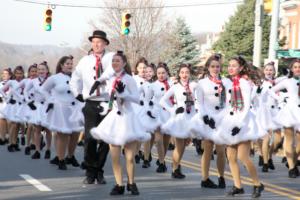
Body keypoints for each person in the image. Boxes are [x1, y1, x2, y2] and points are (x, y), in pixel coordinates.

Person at [90, 51, 151, 195]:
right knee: (115, 156)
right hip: (114, 120)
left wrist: (124, 94)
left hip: (128, 119)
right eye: (113, 61)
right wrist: (97, 83)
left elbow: (136, 99)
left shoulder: (129, 79)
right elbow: (107, 91)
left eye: (118, 60)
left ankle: (132, 183)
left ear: (124, 63)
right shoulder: (110, 78)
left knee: (129, 157)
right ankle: (119, 185)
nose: (115, 63)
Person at [70, 30, 114, 184]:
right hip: (90, 102)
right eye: (94, 42)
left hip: (107, 102)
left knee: (105, 139)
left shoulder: (111, 59)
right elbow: (75, 78)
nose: (96, 44)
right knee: (89, 138)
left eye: (99, 42)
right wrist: (77, 93)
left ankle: (99, 170)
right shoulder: (85, 60)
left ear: (105, 44)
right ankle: (90, 171)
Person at [216, 56, 265, 198]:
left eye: (234, 65)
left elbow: (246, 106)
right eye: (229, 65)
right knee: (230, 157)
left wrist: (239, 124)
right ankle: (238, 186)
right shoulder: (231, 82)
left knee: (243, 157)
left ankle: (257, 184)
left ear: (241, 68)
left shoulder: (243, 82)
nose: (230, 68)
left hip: (243, 123)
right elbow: (228, 104)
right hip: (231, 121)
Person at [190, 54, 230, 188]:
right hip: (208, 120)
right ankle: (205, 178)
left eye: (218, 66)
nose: (215, 69)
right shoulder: (202, 83)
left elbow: (229, 101)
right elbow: (199, 103)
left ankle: (221, 177)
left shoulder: (226, 82)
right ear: (208, 67)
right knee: (207, 149)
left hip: (222, 119)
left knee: (220, 150)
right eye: (212, 66)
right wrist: (205, 117)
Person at [41, 55, 84, 170]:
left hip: (74, 109)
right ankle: (60, 159)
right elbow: (43, 90)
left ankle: (70, 156)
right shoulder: (55, 78)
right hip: (60, 109)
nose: (70, 66)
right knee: (62, 134)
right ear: (61, 65)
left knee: (75, 134)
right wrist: (50, 99)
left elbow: (82, 90)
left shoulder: (77, 77)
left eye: (71, 64)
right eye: (67, 64)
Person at [159, 64, 197, 179]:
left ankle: (176, 164)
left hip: (191, 117)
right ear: (179, 74)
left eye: (186, 72)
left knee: (185, 144)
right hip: (180, 118)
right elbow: (163, 100)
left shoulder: (194, 85)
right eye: (182, 72)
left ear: (189, 73)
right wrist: (173, 110)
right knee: (179, 145)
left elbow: (200, 99)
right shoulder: (175, 87)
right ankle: (175, 169)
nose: (184, 75)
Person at [269, 59, 300, 178]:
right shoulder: (288, 81)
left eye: (299, 66)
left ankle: (292, 159)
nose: (298, 69)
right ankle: (292, 167)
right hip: (290, 112)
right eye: (295, 67)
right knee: (289, 140)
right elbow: (271, 90)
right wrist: (281, 98)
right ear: (292, 69)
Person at [145, 62, 173, 173]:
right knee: (158, 140)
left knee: (166, 141)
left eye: (163, 73)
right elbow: (147, 101)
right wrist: (149, 111)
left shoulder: (172, 85)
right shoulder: (152, 85)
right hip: (157, 114)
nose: (161, 75)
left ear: (167, 73)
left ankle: (162, 158)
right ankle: (162, 163)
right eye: (159, 73)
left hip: (169, 114)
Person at [24, 61, 52, 159]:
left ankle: (48, 149)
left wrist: (52, 102)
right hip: (37, 106)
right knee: (37, 129)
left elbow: (54, 92)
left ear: (47, 70)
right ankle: (37, 150)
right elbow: (25, 91)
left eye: (43, 69)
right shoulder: (33, 81)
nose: (41, 71)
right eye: (39, 69)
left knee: (48, 129)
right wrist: (28, 101)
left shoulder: (50, 80)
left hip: (48, 106)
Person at [0, 66, 25, 152]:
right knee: (13, 124)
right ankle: (10, 143)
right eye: (17, 73)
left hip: (20, 105)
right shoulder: (11, 82)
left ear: (23, 74)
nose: (19, 75)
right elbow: (2, 90)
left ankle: (14, 143)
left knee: (17, 125)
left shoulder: (24, 82)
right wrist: (8, 98)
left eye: (20, 73)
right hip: (13, 105)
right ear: (14, 74)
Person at [0, 68, 12, 145]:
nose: (4, 75)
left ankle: (9, 137)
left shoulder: (12, 83)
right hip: (1, 103)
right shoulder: (0, 83)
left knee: (9, 121)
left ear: (10, 75)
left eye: (6, 74)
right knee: (1, 121)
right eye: (3, 73)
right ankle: (2, 137)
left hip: (10, 104)